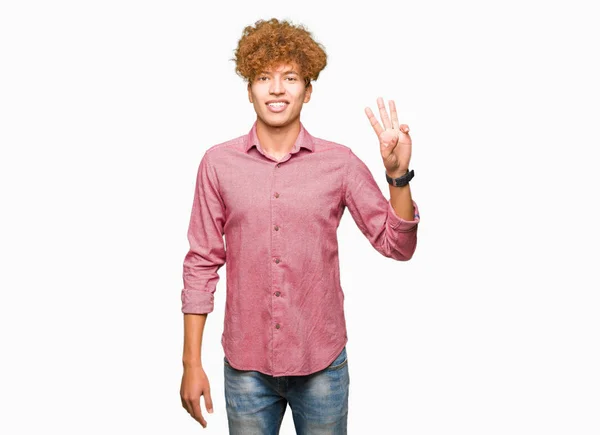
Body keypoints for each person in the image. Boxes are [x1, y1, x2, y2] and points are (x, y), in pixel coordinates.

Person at [179, 18, 420, 434]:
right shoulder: (217, 165)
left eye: (290, 77)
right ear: (249, 89)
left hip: (322, 365)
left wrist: (397, 177)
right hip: (246, 368)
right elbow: (201, 263)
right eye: (263, 77)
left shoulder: (339, 163)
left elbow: (396, 245)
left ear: (307, 91)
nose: (276, 89)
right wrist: (191, 363)